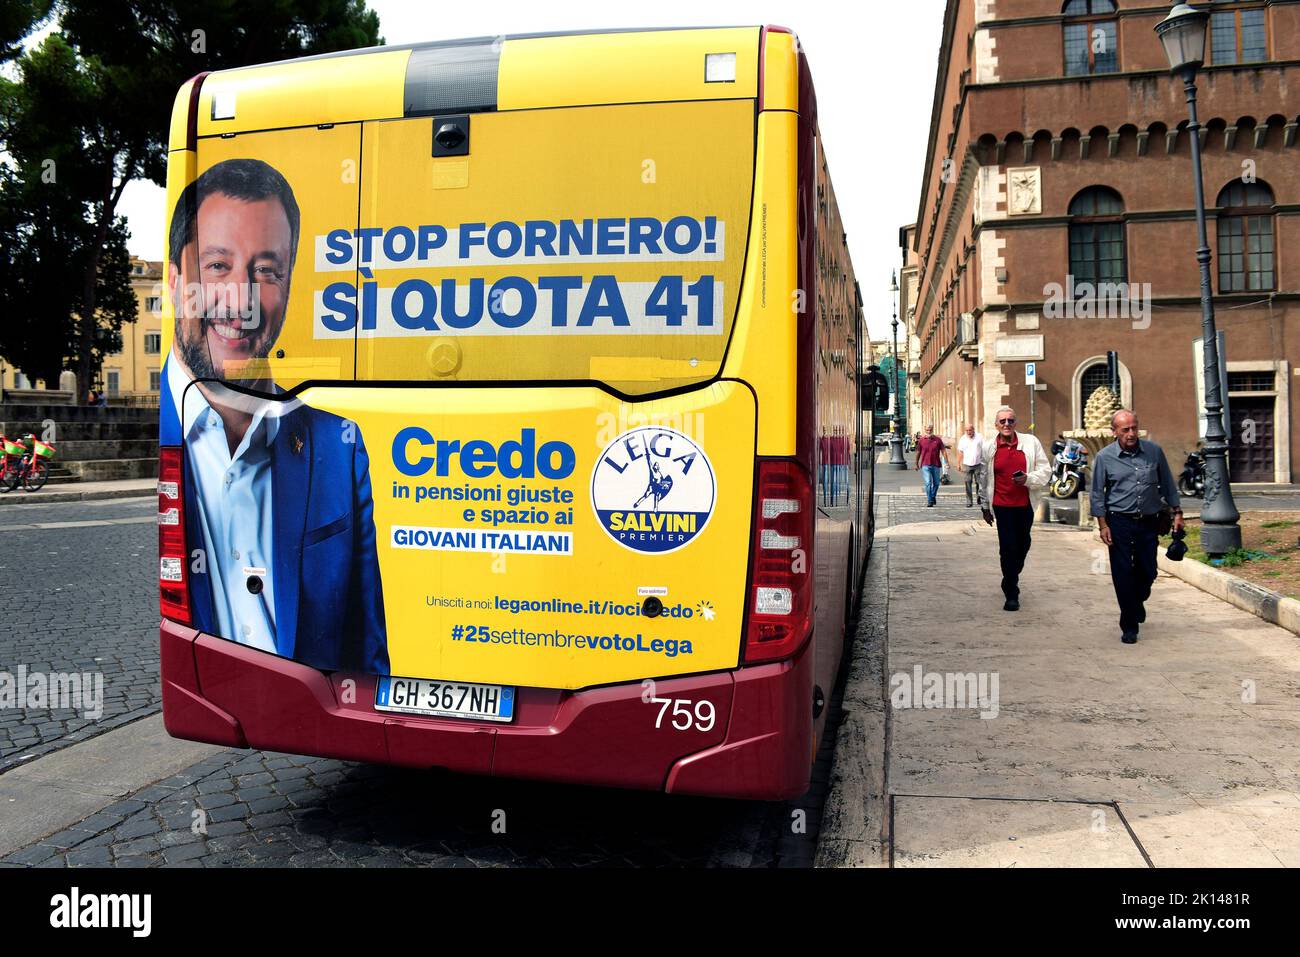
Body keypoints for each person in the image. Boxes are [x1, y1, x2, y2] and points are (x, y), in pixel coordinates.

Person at [162, 157, 388, 674]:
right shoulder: (163, 436)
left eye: (265, 271)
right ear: (175, 281)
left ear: (288, 288)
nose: (241, 300)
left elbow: (368, 649)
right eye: (217, 266)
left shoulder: (340, 445)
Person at [1090, 409, 1183, 644]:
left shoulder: (1154, 452)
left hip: (1149, 521)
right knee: (1122, 573)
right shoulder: (1104, 457)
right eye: (1125, 430)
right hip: (1118, 521)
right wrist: (1102, 525)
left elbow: (1168, 485)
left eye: (1134, 428)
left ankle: (1138, 600)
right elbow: (1097, 494)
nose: (1131, 434)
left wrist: (1177, 512)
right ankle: (1129, 624)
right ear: (1114, 432)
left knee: (1148, 570)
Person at [979, 406, 1050, 610]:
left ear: (1015, 423)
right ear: (996, 425)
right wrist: (984, 505)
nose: (1007, 424)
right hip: (1001, 505)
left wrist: (1028, 478)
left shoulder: (1030, 443)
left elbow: (1045, 471)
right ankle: (1011, 591)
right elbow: (983, 478)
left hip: (1025, 504)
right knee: (1008, 547)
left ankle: (1010, 576)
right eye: (1002, 421)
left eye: (1010, 420)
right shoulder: (988, 447)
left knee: (1023, 544)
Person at [914, 424, 949, 508]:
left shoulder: (938, 440)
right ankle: (930, 500)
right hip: (925, 465)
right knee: (928, 483)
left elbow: (943, 451)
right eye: (927, 430)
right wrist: (916, 463)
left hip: (936, 464)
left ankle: (933, 496)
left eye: (930, 430)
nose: (929, 432)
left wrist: (947, 462)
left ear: (932, 430)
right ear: (925, 430)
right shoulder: (921, 440)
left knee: (936, 483)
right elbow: (918, 452)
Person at [957, 422, 985, 508]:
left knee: (979, 482)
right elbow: (961, 452)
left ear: (973, 430)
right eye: (967, 430)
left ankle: (979, 498)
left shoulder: (979, 437)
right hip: (967, 464)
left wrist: (985, 462)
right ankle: (969, 501)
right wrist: (958, 463)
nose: (969, 432)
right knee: (967, 483)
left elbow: (984, 449)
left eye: (970, 430)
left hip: (978, 463)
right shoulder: (963, 439)